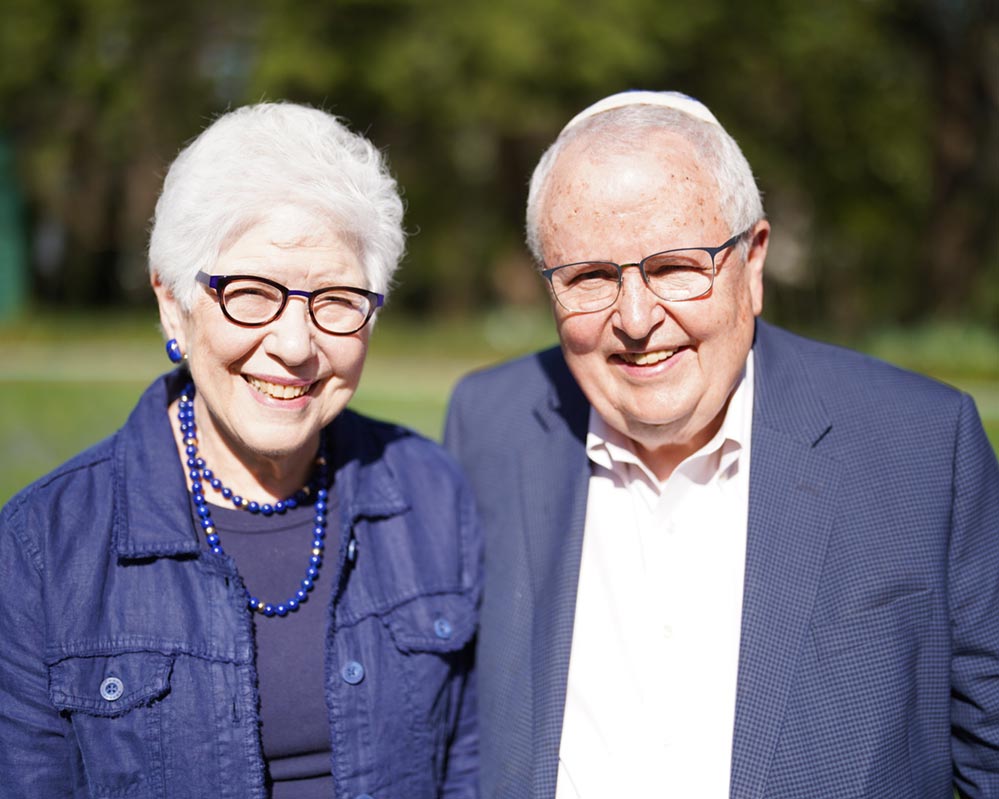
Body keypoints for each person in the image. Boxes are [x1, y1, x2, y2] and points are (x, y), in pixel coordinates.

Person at [445, 90, 999, 798]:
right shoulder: (486, 423)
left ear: (753, 259)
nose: (637, 319)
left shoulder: (919, 446)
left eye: (675, 265)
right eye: (589, 277)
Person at [0, 102, 479, 799]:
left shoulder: (432, 496)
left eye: (337, 299)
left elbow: (468, 775)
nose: (293, 345)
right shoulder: (42, 548)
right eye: (250, 294)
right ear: (173, 305)